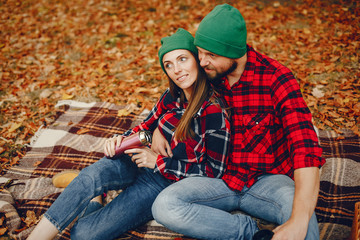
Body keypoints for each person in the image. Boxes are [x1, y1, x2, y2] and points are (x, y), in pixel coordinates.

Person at [26, 28, 231, 240]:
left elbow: (214, 171)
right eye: (169, 65)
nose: (176, 70)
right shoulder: (172, 96)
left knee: (83, 234)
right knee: (91, 176)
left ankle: (96, 198)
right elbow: (144, 127)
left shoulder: (213, 110)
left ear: (197, 60)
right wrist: (123, 139)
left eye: (182, 59)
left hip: (162, 181)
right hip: (136, 157)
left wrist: (158, 162)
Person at [151, 4, 326, 240]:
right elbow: (174, 99)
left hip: (268, 182)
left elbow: (305, 149)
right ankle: (249, 233)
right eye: (200, 52)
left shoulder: (277, 79)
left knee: (302, 218)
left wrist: (298, 219)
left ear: (234, 52)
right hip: (218, 179)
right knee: (165, 205)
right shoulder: (208, 73)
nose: (202, 62)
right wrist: (159, 128)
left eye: (211, 55)